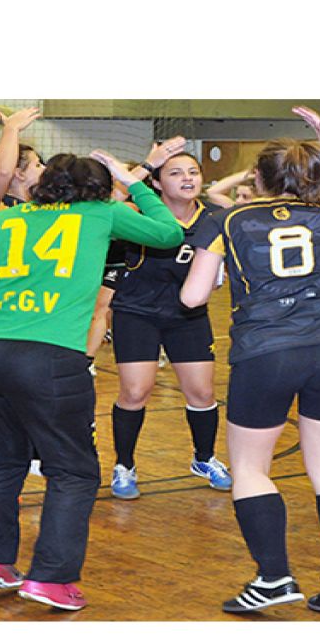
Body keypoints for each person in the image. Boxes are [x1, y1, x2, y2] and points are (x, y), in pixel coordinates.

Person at [180, 106, 320, 613]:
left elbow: (193, 299)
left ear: (256, 178)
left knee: (251, 469)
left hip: (267, 350)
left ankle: (274, 578)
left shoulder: (226, 219)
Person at [0, 150, 183, 611]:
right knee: (72, 470)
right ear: (101, 187)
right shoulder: (103, 212)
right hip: (49, 356)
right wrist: (133, 182)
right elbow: (169, 233)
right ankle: (50, 578)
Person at [108, 141, 232, 500]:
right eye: (175, 173)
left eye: (193, 172)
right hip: (136, 313)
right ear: (158, 183)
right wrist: (146, 165)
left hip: (188, 316)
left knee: (203, 392)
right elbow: (107, 207)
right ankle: (124, 465)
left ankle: (204, 458)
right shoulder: (137, 213)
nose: (187, 178)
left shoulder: (212, 217)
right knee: (135, 392)